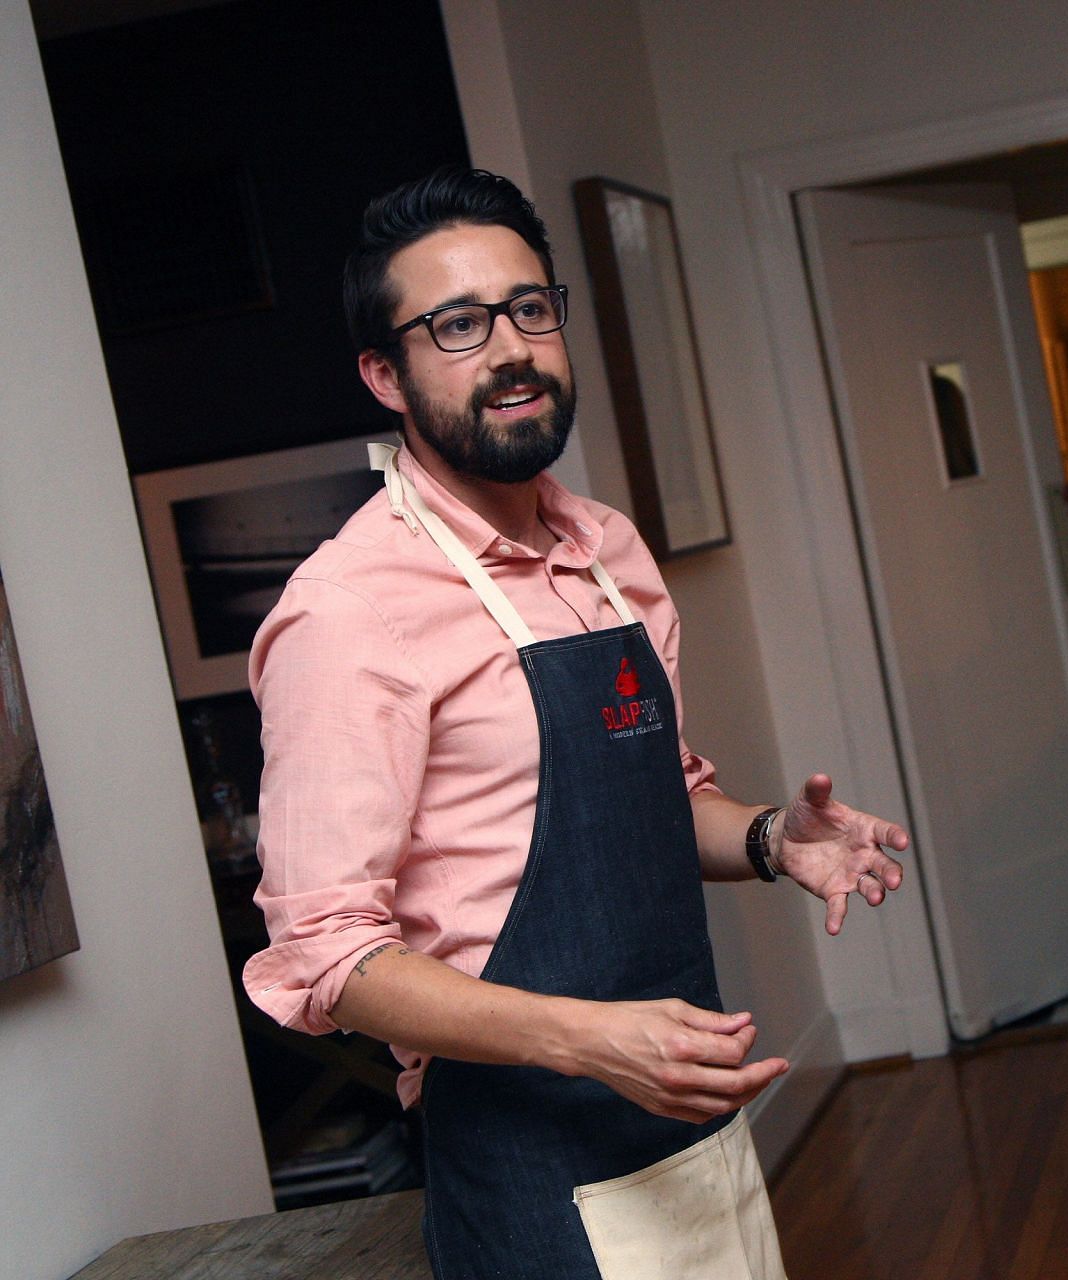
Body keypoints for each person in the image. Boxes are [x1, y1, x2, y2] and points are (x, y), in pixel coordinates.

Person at [241, 168, 908, 1279]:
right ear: (384, 374)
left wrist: (767, 839)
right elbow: (329, 959)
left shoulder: (608, 551)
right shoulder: (348, 611)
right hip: (529, 1162)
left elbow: (662, 798)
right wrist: (590, 1040)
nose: (509, 348)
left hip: (687, 1124)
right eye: (456, 325)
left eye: (529, 308)